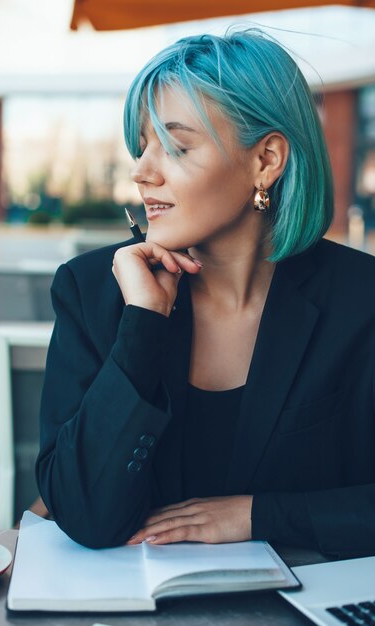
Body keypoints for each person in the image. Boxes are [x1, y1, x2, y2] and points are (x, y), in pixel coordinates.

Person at [36, 29, 375, 558]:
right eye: (143, 144)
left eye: (175, 145)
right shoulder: (89, 291)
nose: (142, 171)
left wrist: (257, 514)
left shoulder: (361, 299)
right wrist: (142, 324)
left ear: (266, 160)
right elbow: (83, 515)